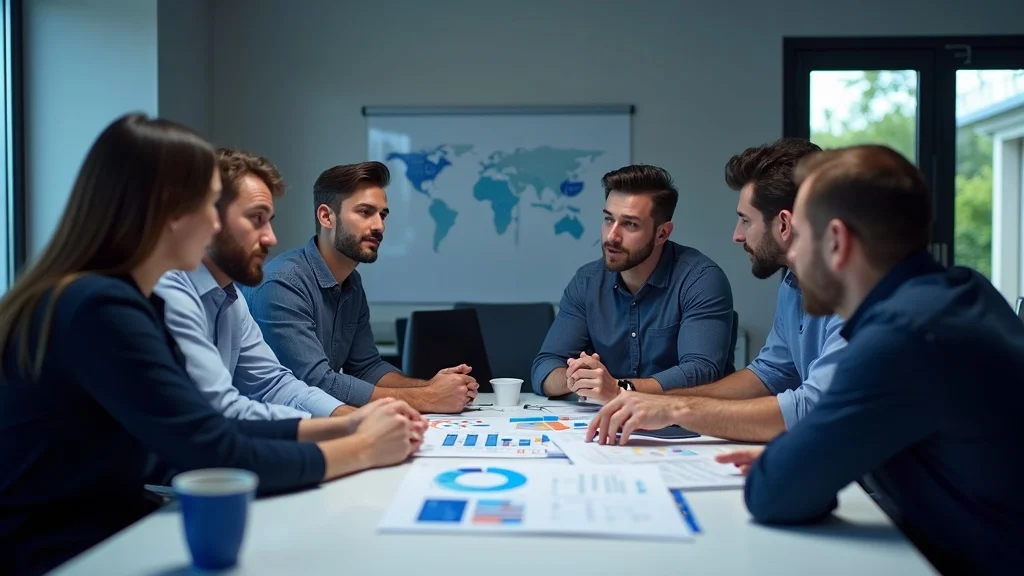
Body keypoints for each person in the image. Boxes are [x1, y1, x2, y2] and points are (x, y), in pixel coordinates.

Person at [0, 114, 426, 576]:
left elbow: (212, 423)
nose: (213, 221)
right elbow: (211, 445)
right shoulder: (101, 307)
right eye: (208, 203)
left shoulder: (114, 298)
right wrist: (361, 447)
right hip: (61, 552)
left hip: (102, 529)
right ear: (167, 211)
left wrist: (349, 427)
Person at [714, 145, 1022, 574]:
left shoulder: (902, 338)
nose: (794, 257)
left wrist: (797, 460)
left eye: (801, 236)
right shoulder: (959, 292)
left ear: (836, 242)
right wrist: (807, 456)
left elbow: (775, 495)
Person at [586, 138, 847, 442]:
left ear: (784, 225)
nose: (737, 236)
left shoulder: (854, 294)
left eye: (745, 220)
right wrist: (659, 403)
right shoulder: (793, 285)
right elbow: (767, 375)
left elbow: (814, 407)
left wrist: (675, 410)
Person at [243, 162, 478, 414]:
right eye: (365, 212)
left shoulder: (352, 282)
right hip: (272, 433)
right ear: (326, 216)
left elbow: (367, 367)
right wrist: (428, 397)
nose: (379, 226)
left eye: (383, 214)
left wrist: (433, 386)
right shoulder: (282, 282)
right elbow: (316, 382)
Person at [155, 148, 352, 420]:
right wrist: (351, 432)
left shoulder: (230, 297)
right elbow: (220, 410)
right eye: (256, 219)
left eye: (269, 221)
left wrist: (348, 417)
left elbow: (273, 383)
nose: (271, 239)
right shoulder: (167, 290)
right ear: (210, 219)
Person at [531, 164, 735, 403]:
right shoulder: (587, 282)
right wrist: (575, 378)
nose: (612, 236)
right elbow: (544, 368)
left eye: (630, 224)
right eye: (609, 219)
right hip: (606, 425)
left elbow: (701, 371)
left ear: (662, 233)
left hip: (688, 424)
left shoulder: (701, 279)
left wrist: (619, 388)